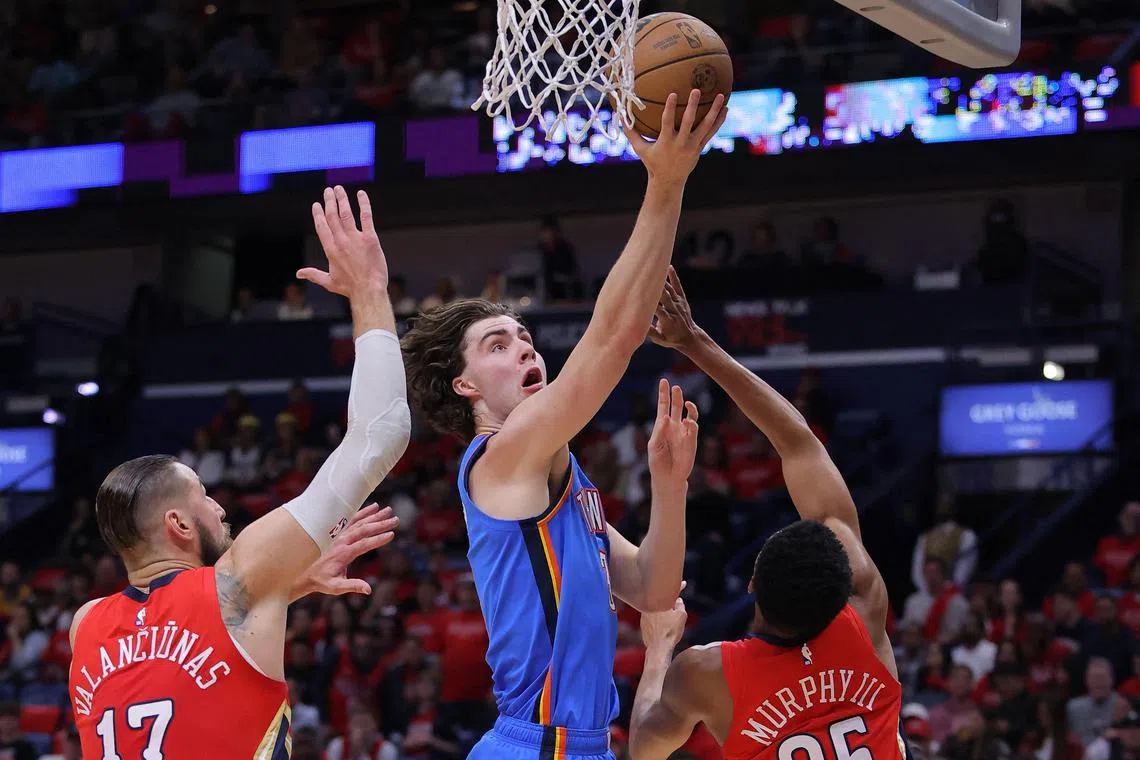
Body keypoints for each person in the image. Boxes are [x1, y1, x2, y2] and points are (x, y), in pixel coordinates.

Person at [399, 91, 726, 760]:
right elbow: (612, 340)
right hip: (531, 746)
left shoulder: (559, 475)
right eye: (496, 344)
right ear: (465, 388)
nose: (523, 348)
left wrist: (669, 483)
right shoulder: (498, 457)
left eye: (524, 336)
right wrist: (666, 184)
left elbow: (654, 590)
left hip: (582, 746)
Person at [67, 187, 412, 759]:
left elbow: (180, 656)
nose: (221, 507)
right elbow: (381, 436)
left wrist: (291, 582)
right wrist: (371, 293)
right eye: (205, 496)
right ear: (178, 523)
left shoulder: (86, 625)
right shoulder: (242, 578)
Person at [626, 267, 904, 760]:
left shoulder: (706, 673)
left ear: (752, 585)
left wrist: (658, 650)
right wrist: (696, 343)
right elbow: (800, 445)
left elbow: (644, 748)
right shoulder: (866, 605)